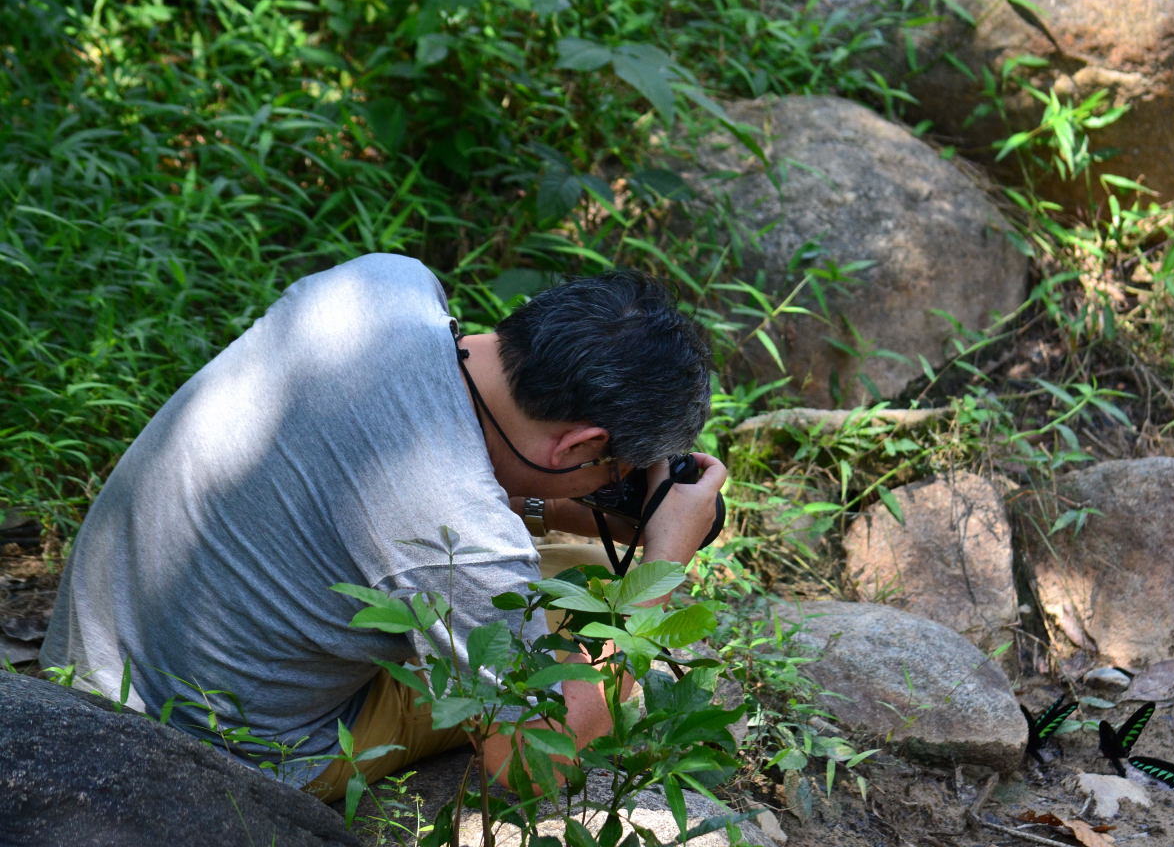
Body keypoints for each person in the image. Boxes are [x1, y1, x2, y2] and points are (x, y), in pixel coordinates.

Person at [40, 253, 726, 799]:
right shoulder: (457, 530)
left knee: (561, 553)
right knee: (588, 592)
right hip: (210, 746)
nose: (613, 486)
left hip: (97, 648)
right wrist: (660, 562)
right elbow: (529, 762)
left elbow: (376, 478)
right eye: (610, 469)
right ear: (578, 444)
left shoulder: (384, 285)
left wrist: (570, 506)